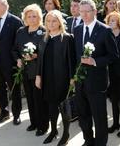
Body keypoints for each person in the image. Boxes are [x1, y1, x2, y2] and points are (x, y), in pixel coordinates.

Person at [73, 0, 118, 146]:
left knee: (99, 117)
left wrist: (95, 61)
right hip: (80, 82)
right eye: (82, 12)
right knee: (83, 115)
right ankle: (88, 140)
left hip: (97, 82)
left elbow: (113, 56)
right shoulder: (77, 30)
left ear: (95, 12)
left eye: (88, 11)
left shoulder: (105, 30)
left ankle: (100, 143)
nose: (84, 15)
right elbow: (75, 55)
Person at [35, 10, 75, 145]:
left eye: (54, 21)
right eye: (48, 21)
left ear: (59, 22)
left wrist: (72, 78)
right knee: (51, 106)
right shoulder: (44, 38)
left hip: (62, 78)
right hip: (47, 78)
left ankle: (66, 133)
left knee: (64, 107)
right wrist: (38, 76)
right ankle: (53, 131)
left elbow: (71, 60)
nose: (51, 24)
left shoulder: (67, 38)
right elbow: (40, 59)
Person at [12, 4, 49, 136]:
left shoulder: (44, 31)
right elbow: (15, 49)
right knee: (30, 98)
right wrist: (18, 59)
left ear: (39, 17)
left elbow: (48, 53)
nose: (32, 19)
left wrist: (36, 55)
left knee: (39, 99)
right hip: (26, 72)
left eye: (35, 16)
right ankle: (33, 122)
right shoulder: (21, 31)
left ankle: (43, 125)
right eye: (29, 16)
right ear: (25, 18)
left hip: (39, 71)